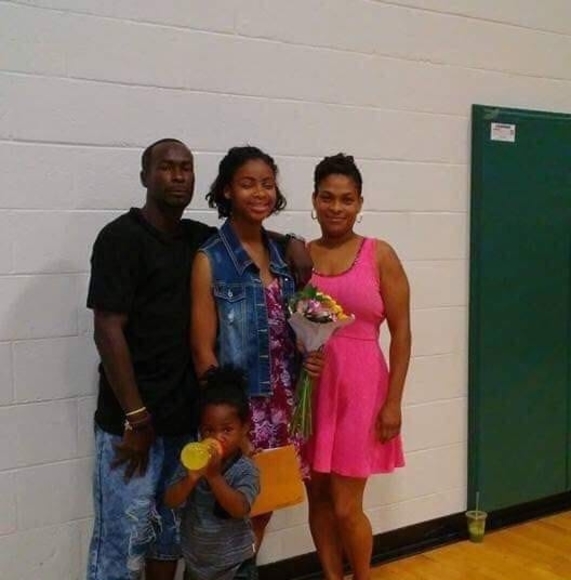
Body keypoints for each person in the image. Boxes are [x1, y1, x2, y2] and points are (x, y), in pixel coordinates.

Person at [86, 138, 311, 580]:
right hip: (132, 423)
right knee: (123, 540)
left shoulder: (195, 237)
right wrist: (136, 417)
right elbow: (106, 330)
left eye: (185, 168)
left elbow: (248, 234)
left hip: (183, 419)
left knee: (169, 536)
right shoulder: (120, 238)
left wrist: (294, 240)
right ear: (145, 175)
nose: (177, 176)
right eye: (166, 167)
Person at [190, 145, 323, 549]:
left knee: (264, 505)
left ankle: (246, 570)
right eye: (247, 184)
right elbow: (202, 351)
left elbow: (293, 328)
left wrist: (310, 356)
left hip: (284, 402)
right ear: (227, 190)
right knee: (232, 510)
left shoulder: (283, 254)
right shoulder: (210, 259)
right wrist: (232, 425)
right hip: (243, 408)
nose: (260, 193)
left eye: (267, 184)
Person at [304, 153, 411, 580]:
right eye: (327, 197)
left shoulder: (379, 255)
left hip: (362, 390)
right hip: (312, 388)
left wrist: (394, 403)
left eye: (346, 199)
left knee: (347, 506)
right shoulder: (299, 255)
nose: (336, 207)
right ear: (314, 200)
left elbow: (402, 334)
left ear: (360, 203)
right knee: (318, 499)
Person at [165, 365, 260, 580]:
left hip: (236, 567)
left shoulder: (245, 469)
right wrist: (190, 479)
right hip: (196, 567)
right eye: (209, 430)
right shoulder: (192, 462)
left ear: (244, 428)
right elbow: (170, 500)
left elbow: (239, 509)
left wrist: (214, 476)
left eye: (227, 430)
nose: (217, 437)